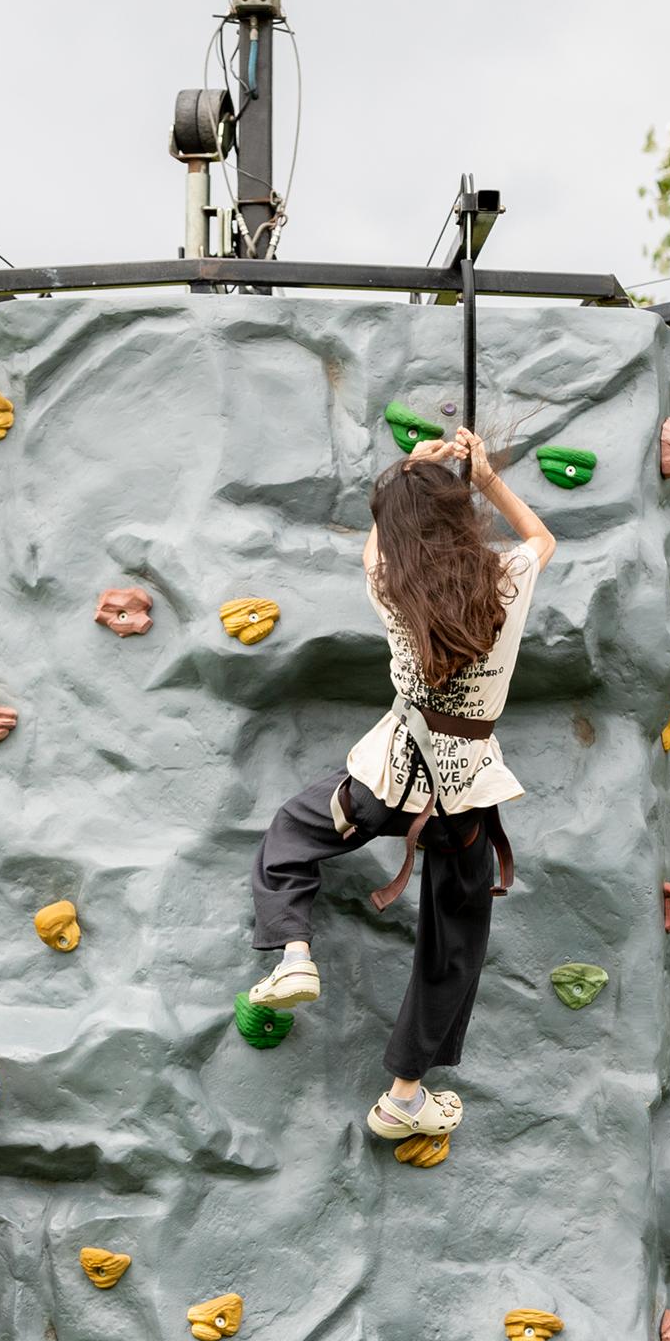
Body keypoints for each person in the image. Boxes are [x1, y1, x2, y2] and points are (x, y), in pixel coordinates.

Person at [245, 425, 555, 1137]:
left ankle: (293, 951)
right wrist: (484, 480)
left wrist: (413, 467)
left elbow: (377, 543)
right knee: (453, 942)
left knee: (292, 832)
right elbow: (541, 538)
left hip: (385, 779)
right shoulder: (506, 580)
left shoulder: (391, 585)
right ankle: (404, 1095)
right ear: (458, 521)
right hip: (463, 801)